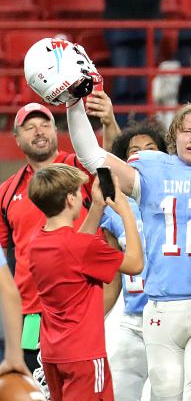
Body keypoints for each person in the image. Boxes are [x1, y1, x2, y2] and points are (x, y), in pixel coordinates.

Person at [65, 96, 191, 399]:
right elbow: (91, 156)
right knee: (165, 396)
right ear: (174, 136)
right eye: (187, 130)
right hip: (159, 306)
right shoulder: (153, 168)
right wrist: (73, 105)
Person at [28, 164, 143, 401]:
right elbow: (135, 264)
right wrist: (126, 212)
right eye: (79, 192)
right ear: (71, 199)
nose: (83, 196)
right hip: (85, 356)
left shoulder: (37, 241)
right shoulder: (82, 247)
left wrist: (98, 208)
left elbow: (75, 249)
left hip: (53, 354)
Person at [0, 103, 96, 373]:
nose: (38, 131)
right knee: (36, 388)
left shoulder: (81, 168)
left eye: (44, 124)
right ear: (17, 138)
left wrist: (108, 121)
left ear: (56, 130)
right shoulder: (6, 192)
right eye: (29, 127)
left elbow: (107, 166)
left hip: (80, 309)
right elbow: (8, 257)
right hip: (31, 314)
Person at [98, 123, 166, 401]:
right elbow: (112, 279)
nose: (143, 155)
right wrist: (85, 320)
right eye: (135, 151)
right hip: (131, 320)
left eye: (151, 148)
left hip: (169, 317)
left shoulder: (178, 197)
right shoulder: (115, 211)